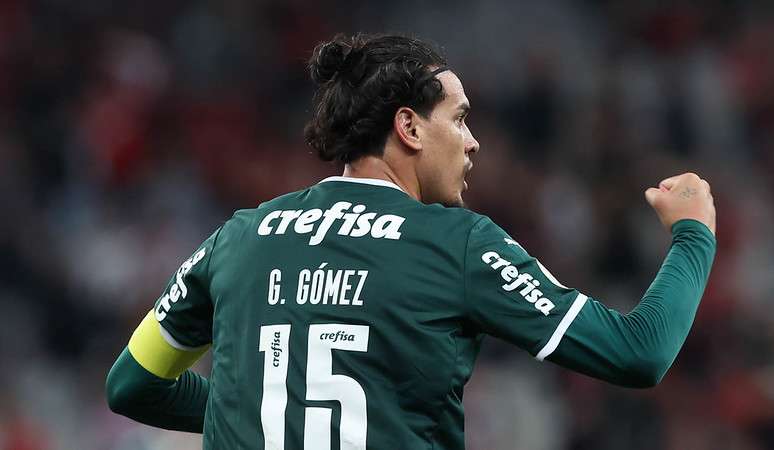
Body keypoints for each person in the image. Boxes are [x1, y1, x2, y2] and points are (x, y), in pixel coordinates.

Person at [106, 33, 716, 450]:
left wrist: (267, 416)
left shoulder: (237, 238)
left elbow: (132, 383)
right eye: (459, 117)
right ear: (409, 127)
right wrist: (694, 234)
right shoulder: (455, 243)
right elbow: (638, 352)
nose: (473, 141)